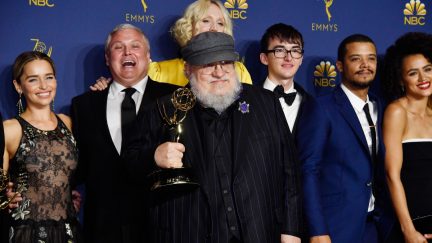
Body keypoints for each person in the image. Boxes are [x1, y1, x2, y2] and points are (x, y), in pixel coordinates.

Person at [124, 31, 303, 243]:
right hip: (189, 233)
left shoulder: (266, 103)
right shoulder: (163, 108)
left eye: (226, 63)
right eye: (208, 65)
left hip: (260, 231)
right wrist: (153, 157)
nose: (219, 72)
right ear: (187, 69)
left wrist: (291, 230)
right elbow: (127, 166)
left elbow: (289, 171)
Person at [71, 23, 178, 243]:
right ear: (107, 59)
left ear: (148, 56)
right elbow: (76, 165)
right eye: (119, 47)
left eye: (135, 46)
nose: (128, 52)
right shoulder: (83, 105)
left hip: (161, 225)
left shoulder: (174, 98)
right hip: (102, 228)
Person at [296, 34, 394, 243]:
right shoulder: (321, 107)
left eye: (371, 58)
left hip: (377, 226)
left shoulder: (384, 107)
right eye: (356, 59)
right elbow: (308, 171)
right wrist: (317, 230)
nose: (365, 65)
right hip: (336, 226)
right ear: (340, 65)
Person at [2, 51, 82, 242]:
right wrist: (4, 200)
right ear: (18, 86)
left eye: (49, 77)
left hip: (68, 231)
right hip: (26, 233)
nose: (44, 86)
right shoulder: (10, 129)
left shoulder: (69, 123)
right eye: (33, 79)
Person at [91, 0, 251, 90]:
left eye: (220, 23)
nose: (214, 28)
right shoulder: (158, 71)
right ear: (189, 27)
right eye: (206, 21)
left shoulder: (238, 71)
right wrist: (109, 88)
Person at [382, 32, 432, 243]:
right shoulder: (396, 112)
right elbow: (392, 176)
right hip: (414, 226)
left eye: (428, 69)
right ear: (401, 79)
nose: (423, 79)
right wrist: (408, 230)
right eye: (413, 73)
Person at [259, 23, 313, 136]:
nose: (288, 58)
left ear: (301, 59)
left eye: (295, 51)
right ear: (264, 58)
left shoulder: (312, 106)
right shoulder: (247, 99)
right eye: (280, 50)